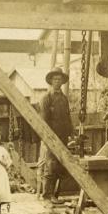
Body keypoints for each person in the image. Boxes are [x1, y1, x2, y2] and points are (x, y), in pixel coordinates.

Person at [39, 68, 73, 204]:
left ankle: (55, 195)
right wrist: (48, 138)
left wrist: (72, 133)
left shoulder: (64, 99)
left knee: (60, 165)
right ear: (51, 81)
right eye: (55, 79)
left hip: (63, 137)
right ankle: (47, 195)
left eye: (59, 79)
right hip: (51, 137)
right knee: (51, 165)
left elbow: (68, 117)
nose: (57, 82)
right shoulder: (46, 99)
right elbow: (43, 120)